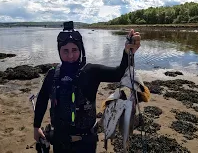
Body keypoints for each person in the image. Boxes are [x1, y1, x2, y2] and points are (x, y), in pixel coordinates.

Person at [33, 25, 141, 153]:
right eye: (65, 51)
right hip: (59, 141)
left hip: (86, 143)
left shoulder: (91, 71)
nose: (71, 55)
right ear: (59, 51)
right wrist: (36, 126)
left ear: (81, 49)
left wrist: (128, 53)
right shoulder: (52, 74)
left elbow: (119, 74)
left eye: (74, 50)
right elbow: (42, 99)